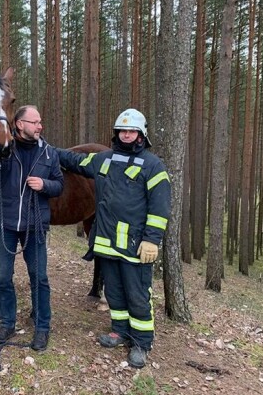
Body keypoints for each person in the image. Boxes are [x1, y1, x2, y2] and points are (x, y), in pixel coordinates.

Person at [56, 108, 170, 368]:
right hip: (107, 243)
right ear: (116, 134)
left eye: (131, 131)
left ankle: (141, 342)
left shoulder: (153, 166)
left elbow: (160, 207)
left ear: (141, 135)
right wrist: (44, 147)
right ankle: (119, 330)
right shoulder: (104, 159)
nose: (127, 135)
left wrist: (152, 239)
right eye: (122, 131)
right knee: (115, 294)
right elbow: (75, 161)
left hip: (135, 247)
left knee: (138, 296)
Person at [0, 105, 64, 351]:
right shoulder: (3, 151)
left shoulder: (48, 153)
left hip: (34, 225)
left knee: (40, 277)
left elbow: (59, 185)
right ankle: (7, 322)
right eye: (35, 122)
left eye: (40, 122)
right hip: (5, 224)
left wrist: (44, 184)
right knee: (3, 277)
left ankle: (42, 327)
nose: (40, 126)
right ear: (20, 124)